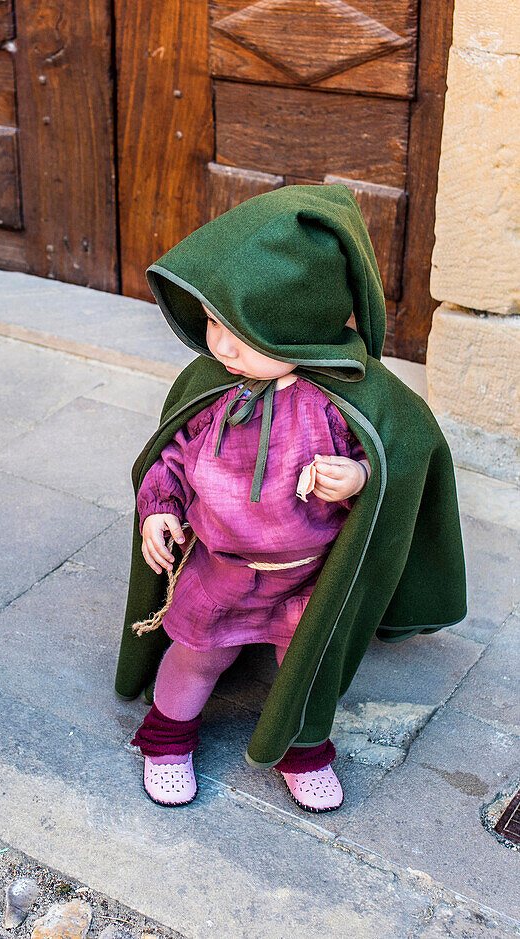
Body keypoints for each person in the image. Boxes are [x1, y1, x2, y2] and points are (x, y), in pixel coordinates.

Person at [115, 185, 466, 812]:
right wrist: (160, 509)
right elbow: (169, 457)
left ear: (299, 326)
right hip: (218, 568)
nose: (220, 346)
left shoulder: (346, 398)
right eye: (215, 322)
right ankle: (168, 738)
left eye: (244, 331)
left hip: (307, 577)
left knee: (306, 668)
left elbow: (399, 461)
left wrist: (358, 480)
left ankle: (303, 748)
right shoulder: (212, 386)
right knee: (196, 658)